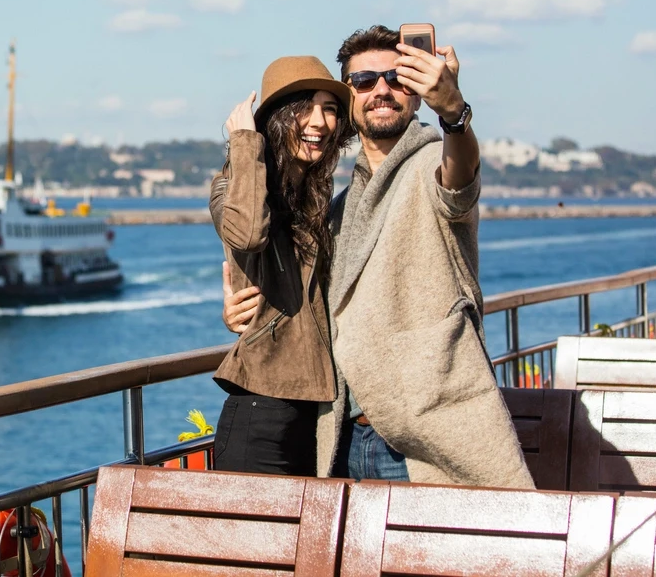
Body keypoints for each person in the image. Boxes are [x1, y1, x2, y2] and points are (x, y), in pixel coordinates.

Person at [222, 26, 534, 489]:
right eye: (364, 81)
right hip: (340, 439)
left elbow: (459, 177)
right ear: (349, 98)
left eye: (397, 77)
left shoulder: (431, 162)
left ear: (416, 93)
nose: (381, 90)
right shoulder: (340, 206)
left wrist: (452, 111)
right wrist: (244, 301)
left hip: (420, 441)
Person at [208, 56, 355, 476]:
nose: (320, 121)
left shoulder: (314, 196)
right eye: (304, 108)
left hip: (316, 412)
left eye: (330, 109)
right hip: (261, 411)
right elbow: (248, 233)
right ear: (275, 119)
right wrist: (244, 142)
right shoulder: (229, 189)